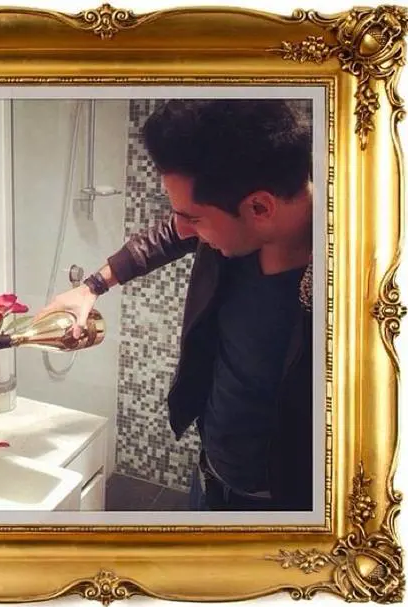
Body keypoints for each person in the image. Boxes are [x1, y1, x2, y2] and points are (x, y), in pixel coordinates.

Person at [34, 99, 313, 511]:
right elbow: (168, 235)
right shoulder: (240, 222)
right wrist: (91, 287)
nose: (181, 230)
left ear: (259, 207)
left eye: (193, 218)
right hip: (211, 476)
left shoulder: (359, 281)